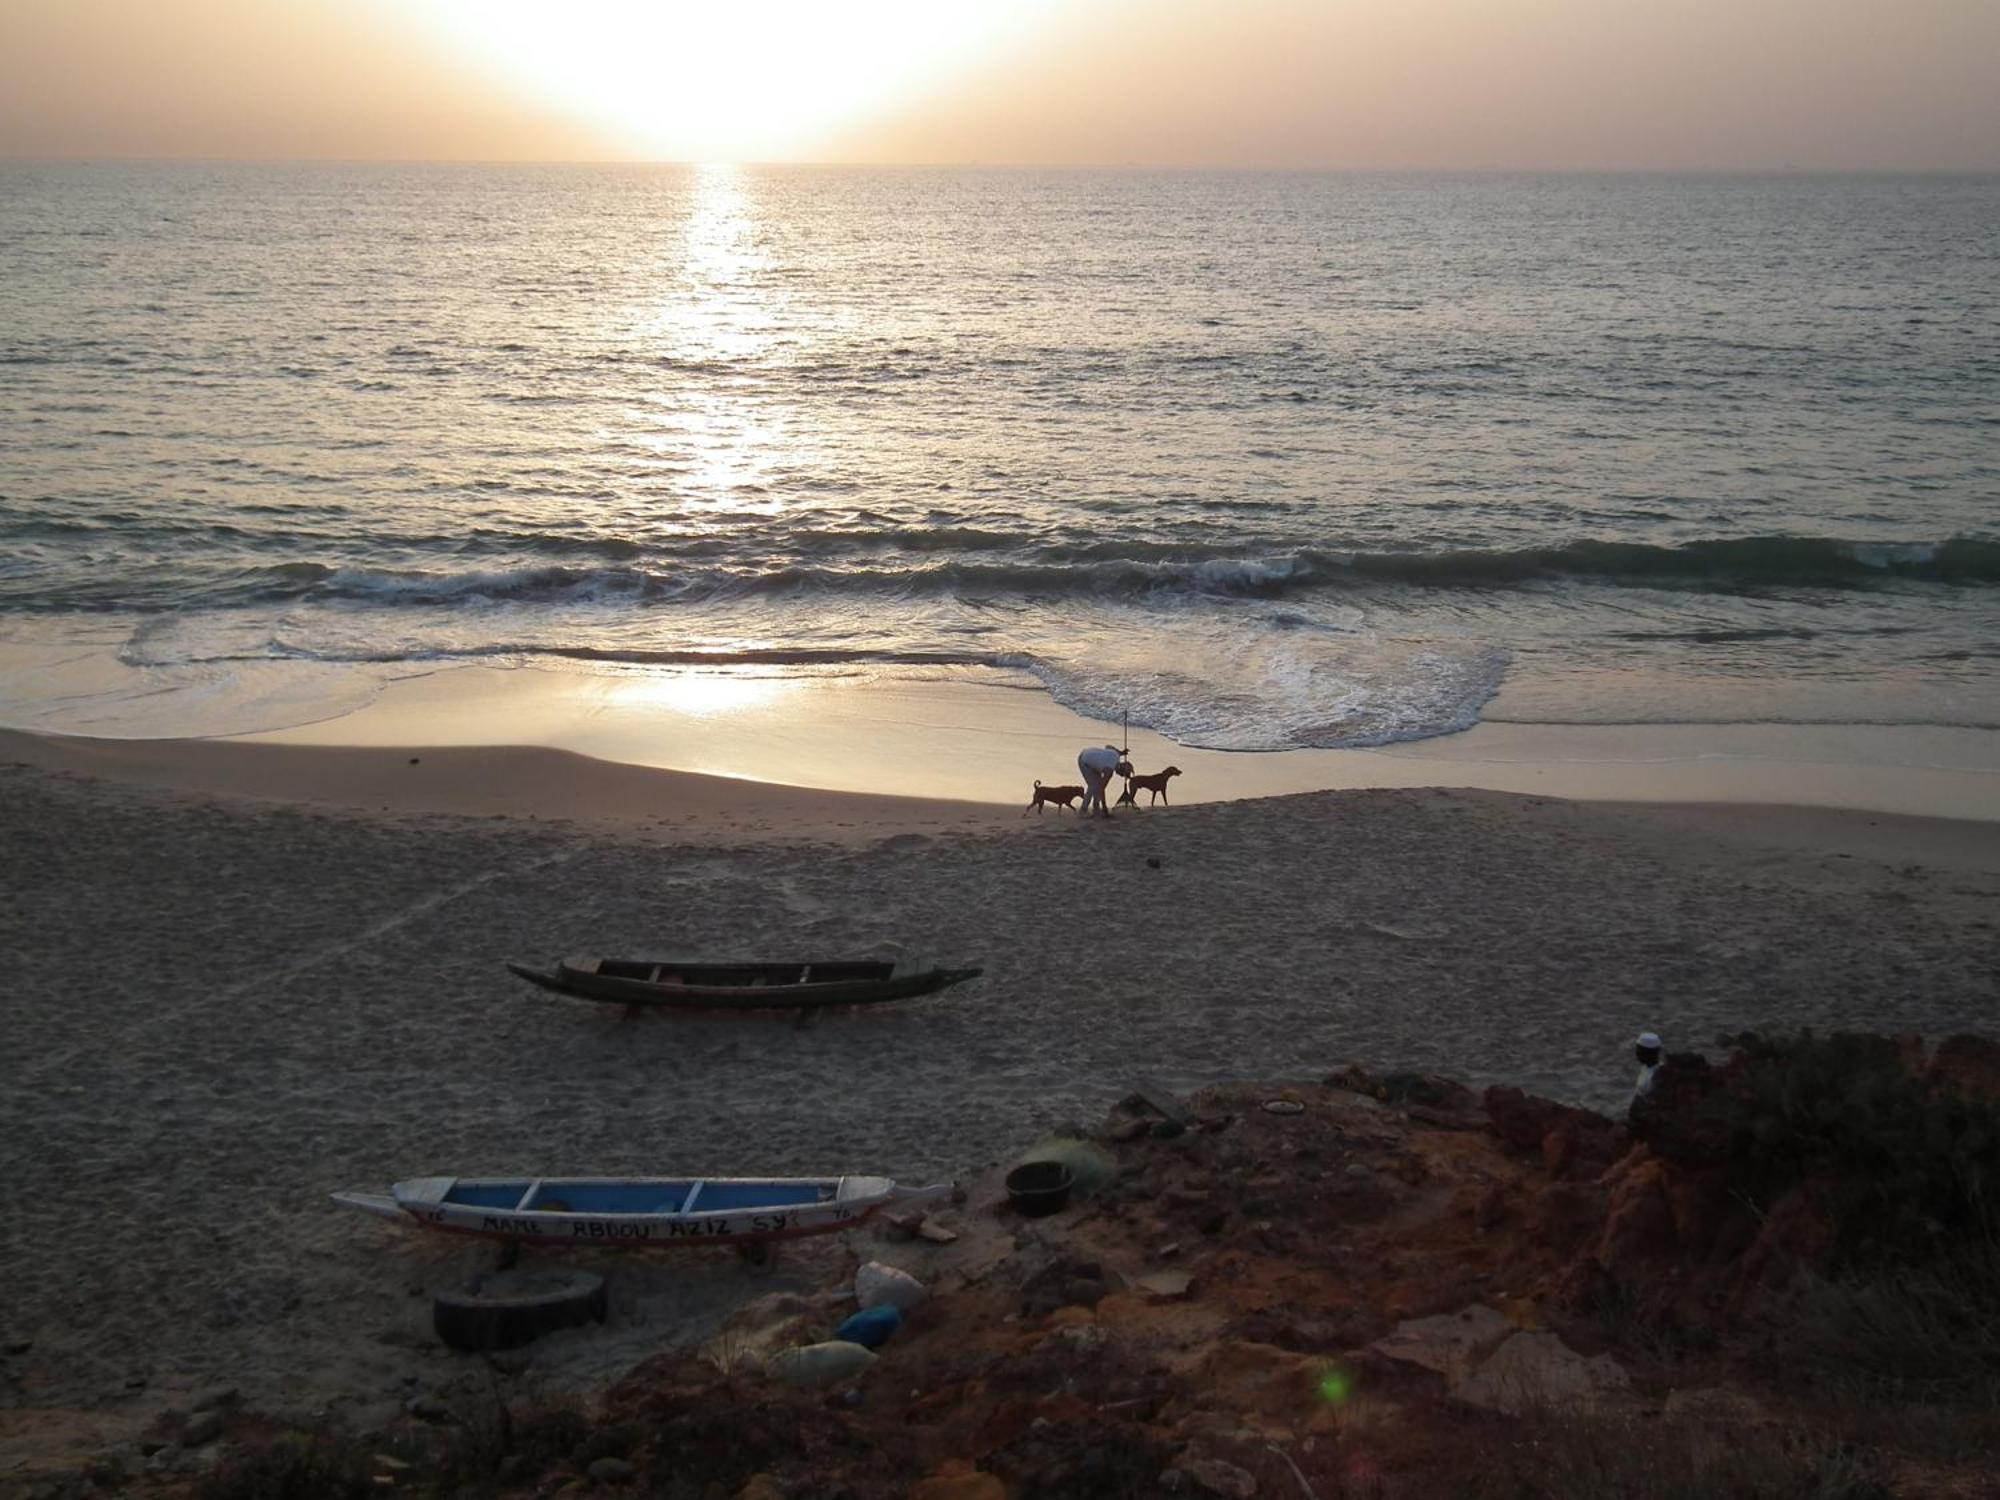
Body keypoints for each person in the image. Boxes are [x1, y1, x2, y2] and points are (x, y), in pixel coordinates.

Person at [1077, 743, 1127, 818]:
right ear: (1119, 771)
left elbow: (1108, 746)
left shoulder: (1116, 755)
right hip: (1084, 761)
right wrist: (1104, 807)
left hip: (1089, 753)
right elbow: (1102, 788)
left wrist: (1121, 752)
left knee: (1096, 785)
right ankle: (1083, 810)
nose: (1119, 775)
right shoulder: (1109, 771)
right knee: (1093, 786)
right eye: (1121, 775)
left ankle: (1096, 808)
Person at [1631, 1031, 1663, 1109]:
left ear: (1648, 1053)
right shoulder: (1646, 1067)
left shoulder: (1658, 1075)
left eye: (1639, 1051)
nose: (1637, 1054)